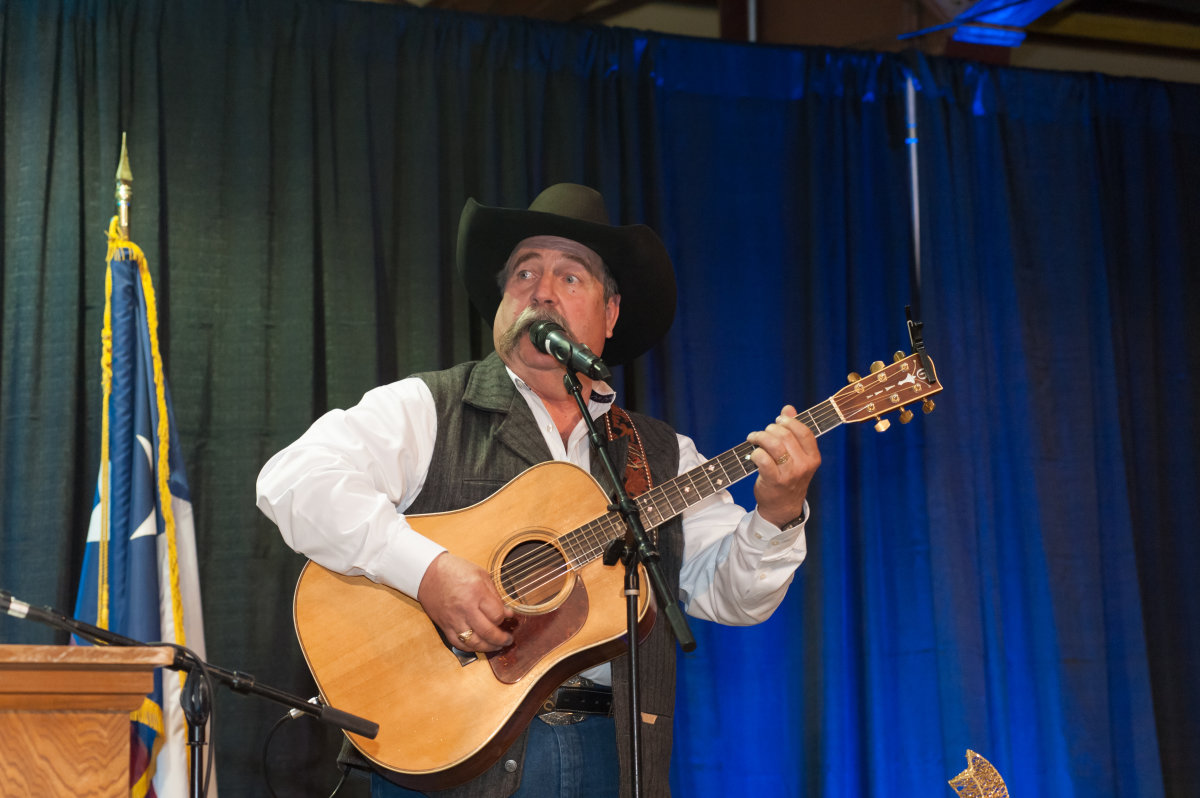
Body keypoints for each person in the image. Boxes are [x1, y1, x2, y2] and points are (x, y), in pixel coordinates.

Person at [256, 184, 821, 797]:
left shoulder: (660, 455)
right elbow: (294, 479)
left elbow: (730, 595)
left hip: (613, 756)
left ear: (610, 315)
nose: (542, 290)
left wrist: (778, 510)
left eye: (570, 277)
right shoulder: (430, 408)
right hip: (451, 750)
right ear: (503, 301)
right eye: (524, 272)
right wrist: (428, 571)